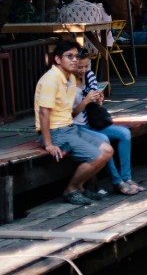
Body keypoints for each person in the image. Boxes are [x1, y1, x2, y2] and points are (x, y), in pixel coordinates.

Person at [34, 40, 113, 206]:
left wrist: (97, 99)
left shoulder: (70, 78)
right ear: (57, 59)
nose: (75, 60)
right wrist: (48, 144)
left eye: (76, 56)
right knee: (97, 155)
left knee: (107, 150)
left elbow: (71, 109)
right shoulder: (50, 79)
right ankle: (70, 190)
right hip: (55, 131)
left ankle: (80, 187)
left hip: (70, 128)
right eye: (69, 56)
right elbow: (43, 113)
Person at [72, 53, 143, 196]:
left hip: (92, 122)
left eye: (86, 66)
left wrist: (99, 100)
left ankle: (126, 177)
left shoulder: (89, 76)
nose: (84, 70)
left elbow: (95, 105)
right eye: (80, 67)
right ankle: (117, 181)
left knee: (125, 133)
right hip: (76, 126)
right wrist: (85, 101)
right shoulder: (68, 82)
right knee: (104, 140)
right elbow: (69, 114)